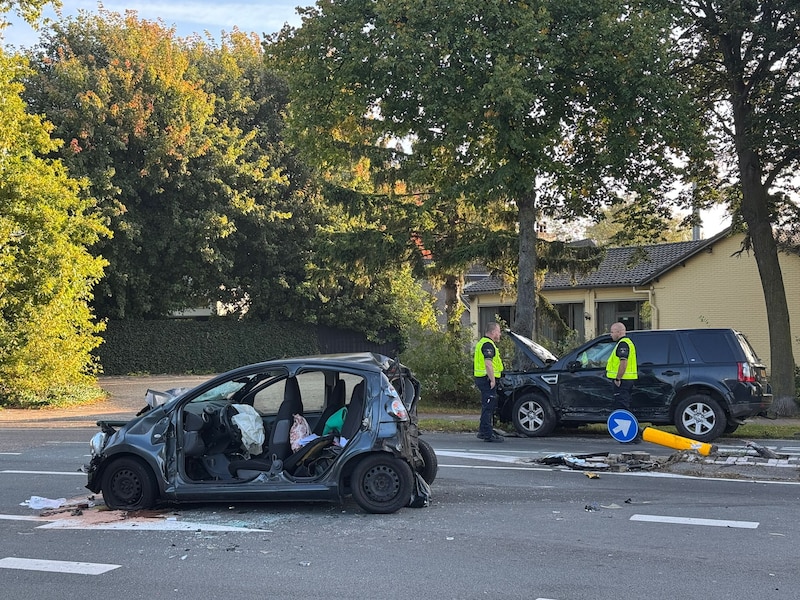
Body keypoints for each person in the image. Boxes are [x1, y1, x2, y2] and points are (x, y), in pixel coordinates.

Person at [605, 322, 640, 442]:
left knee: (623, 407)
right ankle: (629, 435)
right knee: (623, 406)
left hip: (623, 381)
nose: (611, 334)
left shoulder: (623, 344)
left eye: (612, 331)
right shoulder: (625, 343)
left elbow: (623, 363)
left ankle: (632, 435)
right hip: (627, 380)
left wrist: (618, 378)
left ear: (619, 332)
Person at [473, 322, 505, 442]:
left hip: (484, 378)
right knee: (488, 406)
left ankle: (483, 431)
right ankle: (487, 433)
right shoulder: (487, 344)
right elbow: (488, 364)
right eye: (498, 331)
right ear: (493, 332)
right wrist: (492, 380)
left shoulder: (484, 343)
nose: (499, 334)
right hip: (486, 379)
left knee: (487, 405)